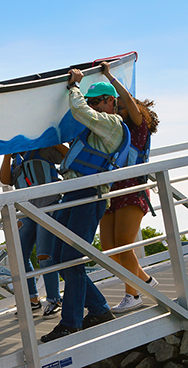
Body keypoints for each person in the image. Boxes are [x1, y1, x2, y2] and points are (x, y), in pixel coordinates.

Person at [40, 69, 129, 342]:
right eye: (90, 102)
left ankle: (71, 323)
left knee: (71, 259)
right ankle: (100, 309)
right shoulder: (93, 127)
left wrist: (75, 86)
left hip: (89, 197)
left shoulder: (111, 123)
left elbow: (81, 112)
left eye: (97, 101)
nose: (92, 106)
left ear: (109, 101)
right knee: (57, 257)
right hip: (73, 194)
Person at [98, 62, 160, 314]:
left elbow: (128, 103)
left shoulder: (139, 126)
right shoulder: (116, 130)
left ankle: (132, 295)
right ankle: (145, 281)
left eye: (122, 106)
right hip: (112, 190)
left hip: (132, 190)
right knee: (109, 249)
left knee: (124, 243)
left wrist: (110, 78)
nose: (119, 110)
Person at [0, 145, 67, 319]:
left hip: (49, 206)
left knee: (44, 255)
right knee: (18, 255)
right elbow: (5, 179)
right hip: (27, 211)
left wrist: (50, 140)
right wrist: (7, 154)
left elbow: (68, 155)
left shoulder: (43, 149)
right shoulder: (15, 159)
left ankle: (54, 300)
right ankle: (33, 300)